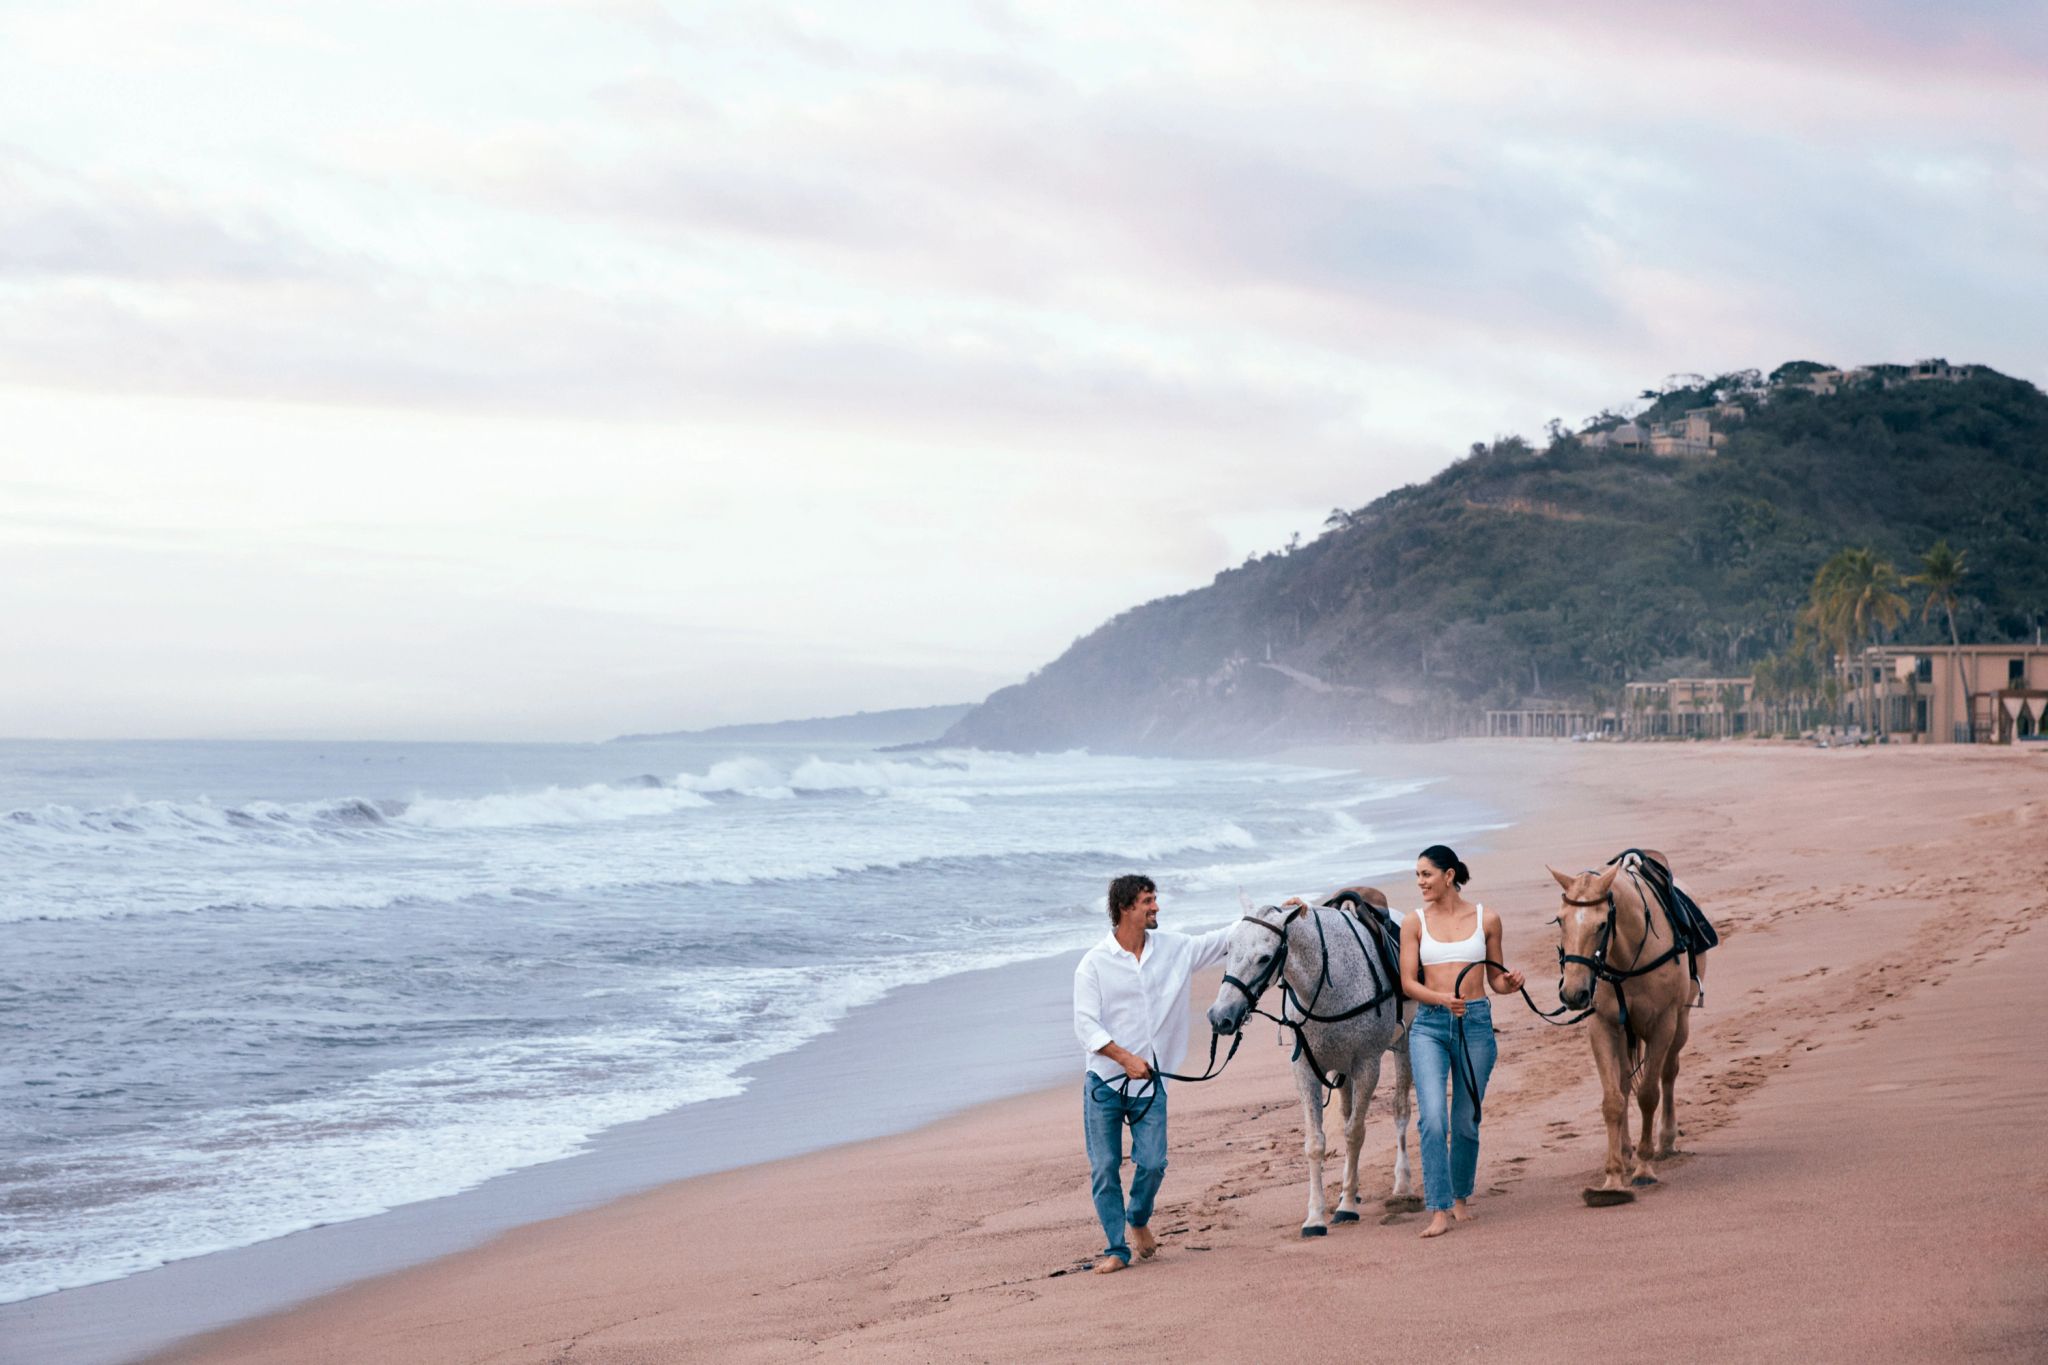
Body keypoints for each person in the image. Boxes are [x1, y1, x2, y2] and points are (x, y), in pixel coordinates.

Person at [1072, 873, 1232, 1274]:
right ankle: (1116, 1249)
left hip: (1152, 1081)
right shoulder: (1093, 964)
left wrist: (1277, 913)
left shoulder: (1174, 948)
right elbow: (1086, 1025)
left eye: (1154, 899)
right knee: (1105, 1167)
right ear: (1126, 908)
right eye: (1147, 901)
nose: (1155, 907)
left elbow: (1223, 939)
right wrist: (1124, 1058)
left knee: (1154, 1163)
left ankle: (1138, 1217)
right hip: (1104, 1085)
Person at [1399, 844, 1524, 1239]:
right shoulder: (1413, 922)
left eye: (1426, 874)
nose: (1420, 882)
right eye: (1417, 875)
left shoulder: (1487, 918)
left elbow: (1495, 981)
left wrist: (1511, 983)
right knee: (1432, 1118)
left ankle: (1460, 1200)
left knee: (1465, 1121)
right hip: (1430, 1027)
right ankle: (1437, 1210)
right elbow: (1408, 983)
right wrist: (1440, 999)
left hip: (1475, 1024)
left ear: (1448, 875)